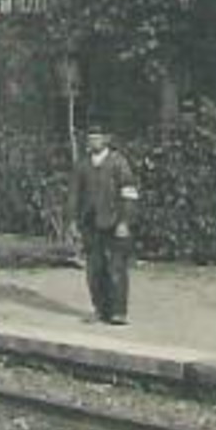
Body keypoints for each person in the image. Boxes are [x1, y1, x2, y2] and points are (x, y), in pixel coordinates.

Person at [69, 121, 140, 326]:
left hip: (114, 222)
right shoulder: (82, 165)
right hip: (90, 223)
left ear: (107, 140)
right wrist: (73, 221)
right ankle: (100, 309)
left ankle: (118, 312)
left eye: (97, 138)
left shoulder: (119, 163)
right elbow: (74, 195)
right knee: (94, 269)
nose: (93, 141)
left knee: (116, 267)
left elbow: (129, 194)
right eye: (90, 138)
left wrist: (125, 221)